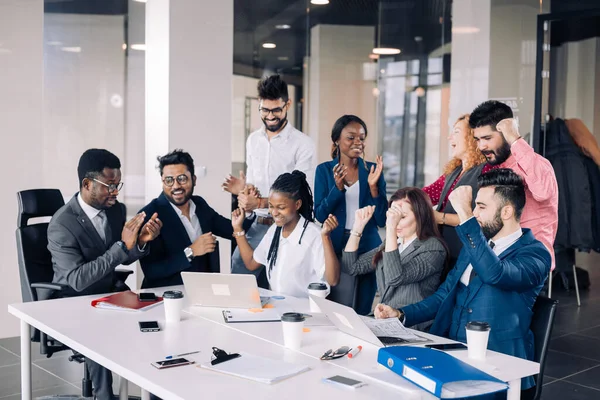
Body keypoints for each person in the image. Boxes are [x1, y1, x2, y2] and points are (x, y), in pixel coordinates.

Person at [375, 169, 551, 391]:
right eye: (475, 206)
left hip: (500, 368)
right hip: (450, 354)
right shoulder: (475, 247)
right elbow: (443, 296)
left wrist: (466, 216)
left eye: (482, 207)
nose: (475, 213)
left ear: (507, 211)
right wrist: (401, 314)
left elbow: (495, 274)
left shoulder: (536, 254)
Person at [48, 149, 162, 400]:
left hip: (107, 293)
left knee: (157, 319)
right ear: (87, 184)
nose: (115, 192)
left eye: (117, 184)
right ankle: (104, 395)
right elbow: (77, 280)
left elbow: (118, 256)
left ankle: (155, 391)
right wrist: (122, 246)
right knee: (98, 332)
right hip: (71, 299)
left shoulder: (115, 210)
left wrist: (139, 243)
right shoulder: (62, 224)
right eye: (109, 185)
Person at [222, 75, 315, 288]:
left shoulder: (303, 144)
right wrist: (243, 192)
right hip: (258, 225)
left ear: (287, 105)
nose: (270, 116)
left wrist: (261, 203)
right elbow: (254, 186)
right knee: (237, 283)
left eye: (276, 110)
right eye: (265, 110)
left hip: (288, 228)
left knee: (284, 289)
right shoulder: (253, 140)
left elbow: (301, 194)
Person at [139, 149, 254, 288]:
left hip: (203, 293)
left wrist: (246, 206)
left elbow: (233, 231)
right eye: (169, 180)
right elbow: (152, 271)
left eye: (182, 178)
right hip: (165, 298)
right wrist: (191, 251)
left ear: (194, 180)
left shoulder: (199, 205)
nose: (176, 186)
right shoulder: (150, 214)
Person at [469, 100, 558, 270]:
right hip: (498, 258)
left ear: (505, 133)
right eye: (478, 140)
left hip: (529, 262)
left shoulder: (538, 164)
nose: (482, 146)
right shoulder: (497, 169)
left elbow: (543, 192)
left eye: (487, 138)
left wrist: (515, 139)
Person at [342, 188, 447, 330]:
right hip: (385, 322)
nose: (395, 222)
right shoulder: (393, 242)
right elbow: (351, 267)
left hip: (412, 327)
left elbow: (395, 277)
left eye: (401, 217)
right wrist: (357, 228)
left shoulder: (434, 247)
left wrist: (391, 229)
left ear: (420, 216)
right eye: (392, 216)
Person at [314, 114, 387, 315]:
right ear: (337, 140)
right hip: (337, 245)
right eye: (351, 137)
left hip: (368, 247)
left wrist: (373, 188)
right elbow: (320, 215)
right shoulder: (324, 170)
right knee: (338, 306)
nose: (358, 142)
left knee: (363, 308)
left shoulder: (372, 170)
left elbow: (381, 219)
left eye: (361, 138)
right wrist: (337, 189)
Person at [231, 171, 340, 297]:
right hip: (277, 307)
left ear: (297, 204)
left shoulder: (314, 234)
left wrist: (326, 237)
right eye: (271, 206)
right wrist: (237, 228)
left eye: (281, 207)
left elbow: (333, 280)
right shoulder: (274, 231)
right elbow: (251, 263)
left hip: (304, 310)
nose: (274, 212)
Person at [423, 114, 492, 269]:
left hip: (465, 254)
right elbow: (426, 194)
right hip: (445, 250)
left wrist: (439, 217)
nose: (449, 137)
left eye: (456, 132)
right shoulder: (454, 171)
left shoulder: (487, 170)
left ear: (472, 136)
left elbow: (481, 219)